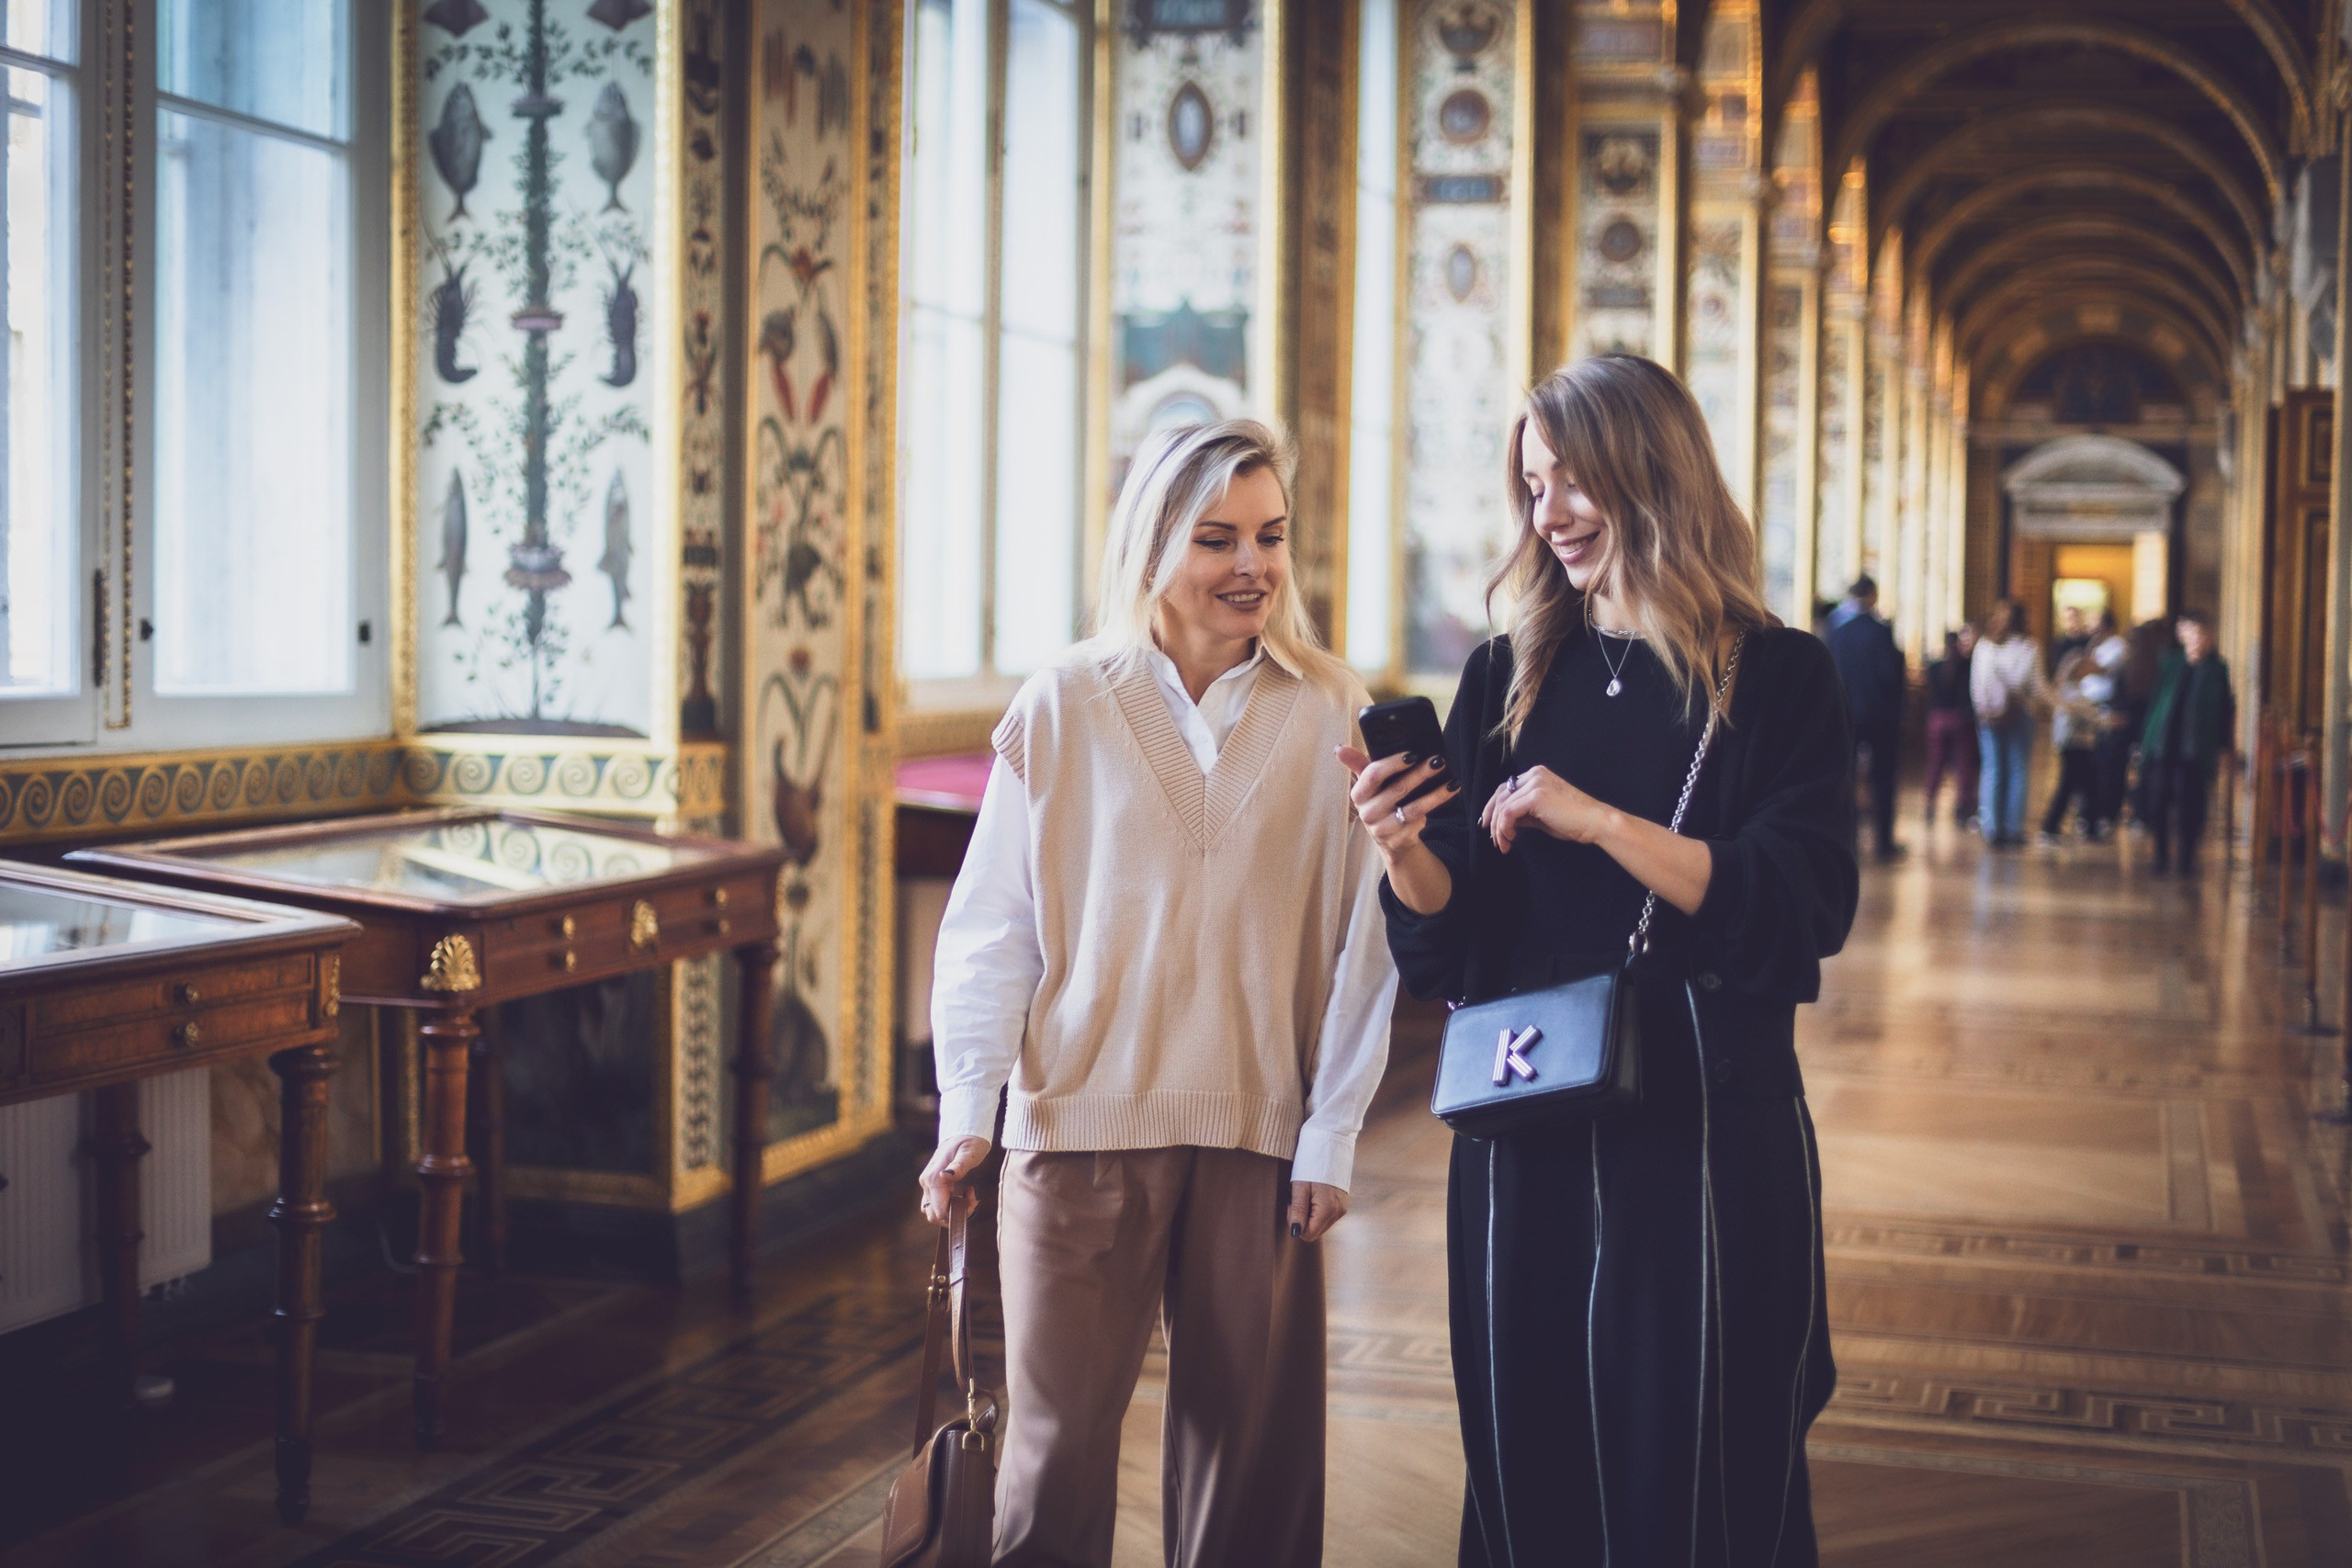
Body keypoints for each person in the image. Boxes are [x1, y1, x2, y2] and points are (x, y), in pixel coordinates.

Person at [1349, 355, 1856, 1566]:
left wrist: (1602, 821)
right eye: (1533, 486)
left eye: (1577, 479)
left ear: (1656, 471)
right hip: (1525, 1116)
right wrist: (1404, 849)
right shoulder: (1503, 674)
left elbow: (1802, 903)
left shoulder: (1779, 676)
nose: (1552, 512)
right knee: (1527, 1440)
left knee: (1700, 1443)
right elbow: (1453, 937)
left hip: (1702, 1125)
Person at [919, 419, 1399, 1567]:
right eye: (1217, 538)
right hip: (1074, 1129)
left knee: (1256, 1464)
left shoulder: (1336, 707)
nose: (1253, 567)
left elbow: (1363, 943)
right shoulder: (1063, 701)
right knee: (1051, 1456)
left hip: (1260, 1135)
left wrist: (1330, 1133)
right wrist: (966, 1114)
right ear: (1150, 547)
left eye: (1272, 537)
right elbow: (992, 931)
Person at [2140, 609, 2236, 876]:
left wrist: (2223, 748)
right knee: (2158, 801)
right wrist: (2145, 740)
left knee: (2191, 806)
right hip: (2164, 744)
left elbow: (2224, 711)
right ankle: (2160, 855)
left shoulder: (2217, 669)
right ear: (2183, 635)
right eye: (2193, 632)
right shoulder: (2170, 663)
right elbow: (2156, 702)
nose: (2198, 639)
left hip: (2194, 749)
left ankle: (2185, 859)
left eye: (2203, 633)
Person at [1826, 575, 1906, 861]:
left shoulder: (1836, 631)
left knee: (1844, 776)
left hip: (1845, 712)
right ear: (1872, 595)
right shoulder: (1880, 630)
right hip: (1880, 715)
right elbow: (1890, 674)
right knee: (1883, 776)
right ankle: (1883, 842)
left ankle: (1846, 839)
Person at [1971, 601, 2050, 847]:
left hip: (1989, 715)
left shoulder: (1984, 645)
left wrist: (1982, 709)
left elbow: (1976, 682)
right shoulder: (2028, 647)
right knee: (2017, 770)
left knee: (1992, 769)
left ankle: (1991, 826)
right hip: (2020, 712)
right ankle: (2013, 828)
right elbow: (2031, 683)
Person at [2039, 649, 2109, 842]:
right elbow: (2089, 714)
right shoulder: (2071, 693)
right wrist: (2110, 721)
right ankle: (2050, 827)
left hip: (2077, 744)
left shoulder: (2071, 691)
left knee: (2089, 785)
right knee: (2069, 786)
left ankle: (2090, 824)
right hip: (2075, 745)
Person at [1922, 626, 1979, 829]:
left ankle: (1929, 803)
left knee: (1935, 764)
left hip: (1937, 719)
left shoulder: (1934, 666)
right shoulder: (1967, 666)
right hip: (1959, 719)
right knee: (1964, 765)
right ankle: (1963, 806)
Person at [2085, 612, 2132, 828]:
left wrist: (2083, 664)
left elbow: (2094, 668)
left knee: (2108, 764)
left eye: (2095, 624)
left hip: (2107, 707)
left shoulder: (2118, 646)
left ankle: (2106, 811)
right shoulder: (2099, 645)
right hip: (2091, 708)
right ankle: (2092, 809)